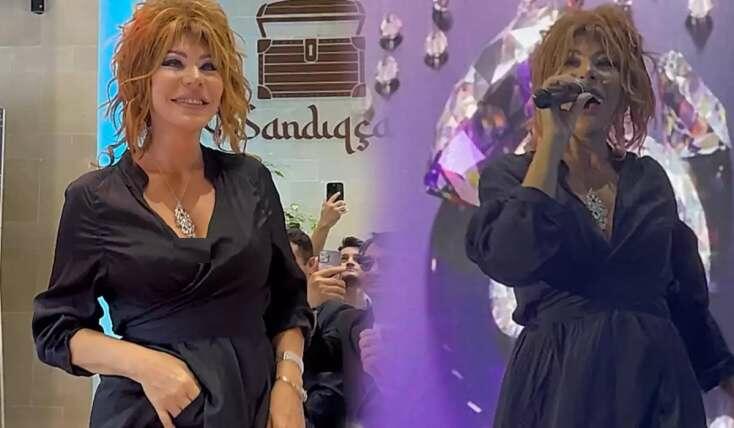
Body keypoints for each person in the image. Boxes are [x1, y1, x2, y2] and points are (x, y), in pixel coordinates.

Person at [31, 1, 313, 427]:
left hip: (252, 406)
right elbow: (56, 329)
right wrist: (144, 364)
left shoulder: (250, 181)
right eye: (173, 62)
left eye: (209, 66)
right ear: (140, 76)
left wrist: (289, 384)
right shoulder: (95, 199)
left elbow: (289, 302)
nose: (194, 78)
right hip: (147, 412)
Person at [465, 5, 734, 427]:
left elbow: (683, 297)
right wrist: (551, 142)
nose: (587, 73)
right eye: (571, 63)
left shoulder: (648, 179)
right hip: (558, 388)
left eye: (604, 64)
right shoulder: (512, 176)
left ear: (625, 90)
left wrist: (726, 378)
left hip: (655, 389)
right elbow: (509, 256)